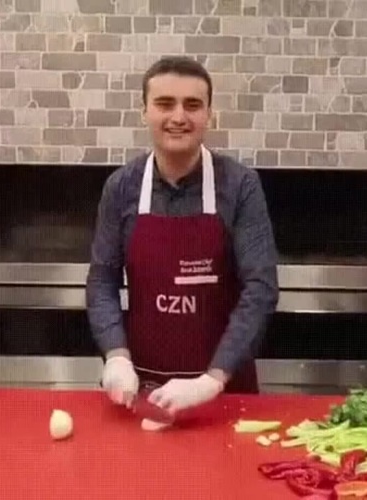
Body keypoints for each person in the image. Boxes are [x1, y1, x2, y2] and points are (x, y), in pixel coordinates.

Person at [86, 56, 279, 429]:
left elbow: (261, 288)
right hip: (142, 395)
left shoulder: (241, 185)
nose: (178, 117)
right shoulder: (120, 187)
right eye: (164, 103)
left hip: (224, 396)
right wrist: (116, 356)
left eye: (192, 105)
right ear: (144, 111)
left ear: (209, 115)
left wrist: (212, 380)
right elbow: (102, 281)